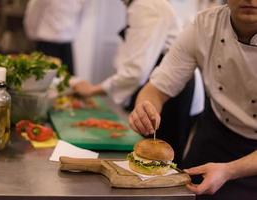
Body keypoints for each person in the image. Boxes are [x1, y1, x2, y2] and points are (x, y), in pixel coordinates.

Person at [128, 0, 257, 199]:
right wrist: (145, 106)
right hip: (215, 134)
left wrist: (229, 170)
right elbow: (157, 87)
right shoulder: (205, 25)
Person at [72, 0, 204, 165]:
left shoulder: (146, 6)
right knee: (151, 157)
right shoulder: (139, 5)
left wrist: (93, 90)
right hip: (161, 84)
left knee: (161, 159)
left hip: (170, 91)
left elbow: (135, 72)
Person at [24, 0, 87, 75]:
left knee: (69, 79)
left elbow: (80, 17)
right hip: (46, 44)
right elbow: (33, 15)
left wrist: (72, 35)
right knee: (42, 78)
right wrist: (32, 35)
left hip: (66, 45)